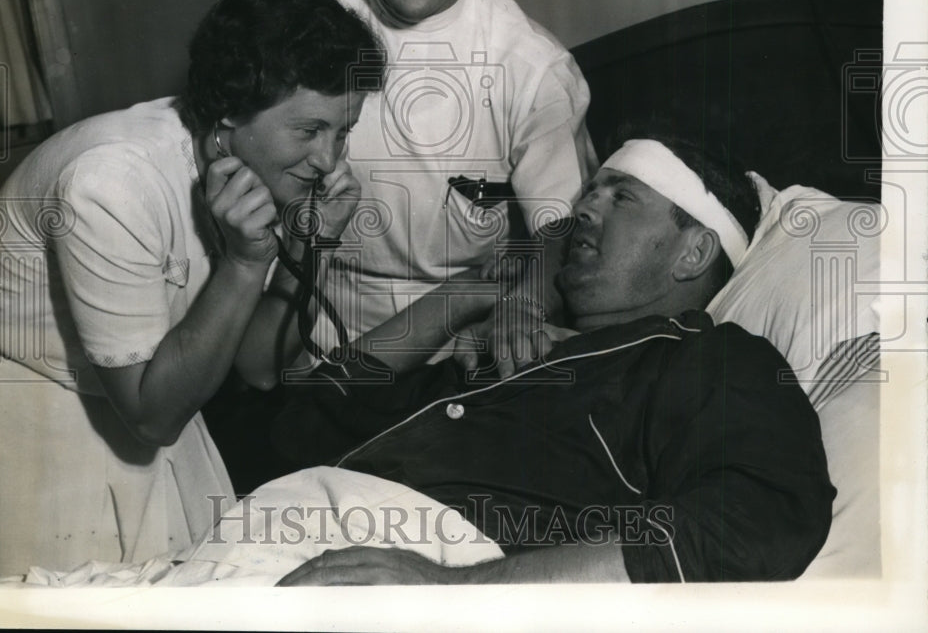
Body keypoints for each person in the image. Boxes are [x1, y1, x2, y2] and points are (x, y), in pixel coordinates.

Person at [260, 134, 835, 584]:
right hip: (278, 529)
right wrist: (464, 298)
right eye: (590, 192)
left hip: (415, 567)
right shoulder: (504, 360)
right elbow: (304, 416)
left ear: (694, 251)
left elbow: (755, 521)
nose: (586, 208)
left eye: (621, 197)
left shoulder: (706, 361)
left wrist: (447, 589)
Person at [0, 0, 386, 581]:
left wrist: (310, 244)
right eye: (309, 130)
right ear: (232, 109)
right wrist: (244, 263)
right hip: (48, 423)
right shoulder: (110, 183)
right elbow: (153, 416)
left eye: (342, 132)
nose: (329, 160)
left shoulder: (244, 164)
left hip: (158, 397)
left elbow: (261, 366)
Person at [308, 0, 597, 347]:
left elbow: (562, 232)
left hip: (457, 346)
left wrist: (524, 310)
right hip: (310, 333)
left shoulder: (532, 68)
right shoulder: (298, 27)